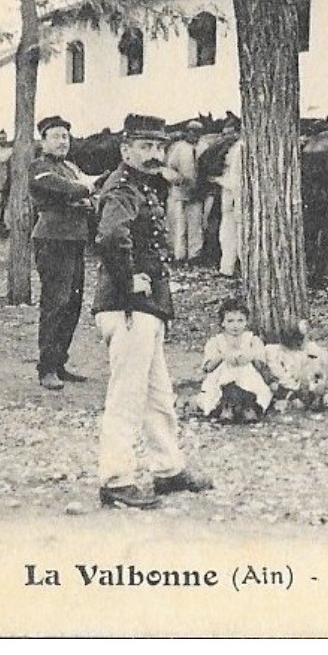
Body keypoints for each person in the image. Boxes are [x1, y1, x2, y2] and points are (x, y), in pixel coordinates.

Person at [93, 113, 211, 509]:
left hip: (147, 308)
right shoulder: (123, 188)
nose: (153, 154)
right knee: (127, 395)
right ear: (125, 149)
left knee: (158, 394)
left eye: (158, 147)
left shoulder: (142, 186)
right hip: (128, 307)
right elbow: (110, 235)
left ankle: (167, 469)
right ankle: (115, 478)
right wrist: (128, 279)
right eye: (144, 147)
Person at [31, 116, 93, 390]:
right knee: (56, 302)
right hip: (52, 238)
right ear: (43, 141)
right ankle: (46, 368)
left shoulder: (70, 166)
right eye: (55, 136)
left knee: (73, 303)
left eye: (66, 136)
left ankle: (59, 362)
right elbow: (63, 188)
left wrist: (83, 196)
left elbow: (86, 197)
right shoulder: (39, 166)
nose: (62, 142)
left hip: (76, 238)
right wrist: (83, 191)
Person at [196, 298, 274, 422]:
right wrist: (222, 356)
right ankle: (226, 407)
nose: (235, 325)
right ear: (223, 323)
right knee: (225, 384)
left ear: (246, 322)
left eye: (240, 321)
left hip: (247, 377)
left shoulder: (252, 340)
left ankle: (248, 408)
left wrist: (250, 356)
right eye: (230, 321)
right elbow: (208, 367)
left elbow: (261, 365)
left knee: (248, 380)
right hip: (223, 377)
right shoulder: (216, 341)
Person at [162, 122, 204, 263]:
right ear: (187, 132)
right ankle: (179, 255)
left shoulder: (203, 147)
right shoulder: (178, 148)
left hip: (197, 191)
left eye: (198, 132)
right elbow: (168, 169)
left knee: (195, 224)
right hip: (179, 191)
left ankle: (194, 255)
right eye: (192, 132)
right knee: (179, 224)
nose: (194, 135)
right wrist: (177, 179)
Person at [214, 121, 243, 278]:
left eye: (230, 132)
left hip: (237, 192)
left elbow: (236, 177)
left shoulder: (239, 148)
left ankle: (237, 266)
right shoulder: (233, 148)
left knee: (239, 232)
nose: (227, 136)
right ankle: (227, 266)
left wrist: (219, 180)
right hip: (230, 193)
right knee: (228, 232)